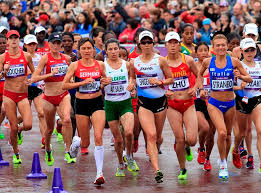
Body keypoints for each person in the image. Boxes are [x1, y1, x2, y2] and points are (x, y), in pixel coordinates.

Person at [198, 34, 252, 180]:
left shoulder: (234, 61)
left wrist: (239, 76)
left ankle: (224, 159)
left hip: (230, 104)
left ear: (227, 46)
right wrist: (201, 89)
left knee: (228, 135)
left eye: (223, 45)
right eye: (218, 45)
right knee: (221, 133)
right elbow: (199, 75)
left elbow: (249, 78)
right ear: (213, 47)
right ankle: (223, 164)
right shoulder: (208, 62)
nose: (221, 47)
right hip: (214, 103)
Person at [62, 38, 107, 185]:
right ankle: (76, 141)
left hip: (97, 102)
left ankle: (99, 174)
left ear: (93, 50)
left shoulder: (100, 65)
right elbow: (64, 85)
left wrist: (105, 82)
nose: (87, 51)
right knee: (85, 143)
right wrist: (82, 82)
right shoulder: (75, 65)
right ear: (79, 50)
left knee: (98, 136)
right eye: (84, 48)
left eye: (89, 48)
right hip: (81, 103)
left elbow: (104, 81)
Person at [130, 30, 173, 183]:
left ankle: (153, 150)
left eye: (149, 42)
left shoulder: (160, 60)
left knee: (158, 137)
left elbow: (171, 79)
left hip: (160, 102)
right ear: (139, 44)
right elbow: (132, 78)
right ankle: (157, 170)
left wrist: (160, 82)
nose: (147, 45)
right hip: (144, 103)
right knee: (151, 135)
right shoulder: (134, 62)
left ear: (153, 43)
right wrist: (132, 86)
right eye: (144, 42)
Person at [31, 32, 76, 166]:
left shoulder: (66, 58)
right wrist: (50, 74)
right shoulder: (45, 58)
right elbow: (34, 77)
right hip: (48, 97)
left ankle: (68, 151)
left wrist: (71, 79)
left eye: (58, 43)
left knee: (67, 119)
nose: (56, 45)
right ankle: (48, 148)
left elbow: (70, 75)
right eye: (53, 43)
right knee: (50, 129)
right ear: (49, 44)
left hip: (63, 95)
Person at [102, 38, 139, 176]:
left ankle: (128, 156)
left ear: (119, 49)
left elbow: (132, 79)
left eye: (115, 49)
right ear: (106, 51)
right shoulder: (103, 66)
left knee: (129, 132)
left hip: (125, 102)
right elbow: (98, 84)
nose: (113, 52)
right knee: (117, 139)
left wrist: (132, 86)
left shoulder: (127, 64)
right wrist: (103, 83)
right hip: (110, 104)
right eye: (110, 49)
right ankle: (120, 164)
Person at [165, 32, 198, 180]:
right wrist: (165, 91)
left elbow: (200, 76)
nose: (173, 45)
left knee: (191, 140)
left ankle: (187, 147)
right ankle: (183, 168)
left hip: (188, 104)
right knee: (179, 138)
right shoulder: (162, 62)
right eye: (170, 43)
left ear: (179, 45)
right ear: (166, 45)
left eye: (175, 43)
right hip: (172, 106)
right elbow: (159, 83)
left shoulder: (188, 60)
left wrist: (196, 88)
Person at [0, 30, 34, 164]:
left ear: (19, 40)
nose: (13, 40)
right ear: (7, 41)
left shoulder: (26, 56)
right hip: (8, 95)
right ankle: (16, 152)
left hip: (22, 95)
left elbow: (34, 72)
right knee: (12, 127)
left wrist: (31, 79)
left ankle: (20, 130)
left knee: (29, 125)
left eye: (16, 38)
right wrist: (4, 71)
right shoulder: (3, 57)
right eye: (11, 38)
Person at [233, 38, 261, 171]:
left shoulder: (259, 65)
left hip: (256, 99)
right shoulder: (237, 66)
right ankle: (236, 149)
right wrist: (239, 87)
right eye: (247, 50)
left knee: (260, 130)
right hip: (242, 100)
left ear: (256, 51)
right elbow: (229, 86)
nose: (250, 53)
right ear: (242, 52)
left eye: (252, 50)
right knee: (242, 133)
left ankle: (254, 158)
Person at [194, 42, 215, 171]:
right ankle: (201, 148)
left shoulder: (214, 65)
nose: (203, 53)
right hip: (197, 102)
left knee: (212, 134)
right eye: (200, 50)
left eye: (205, 50)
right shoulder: (193, 66)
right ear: (196, 53)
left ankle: (207, 158)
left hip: (213, 102)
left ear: (209, 52)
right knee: (205, 128)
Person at [23, 34, 46, 149]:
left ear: (36, 44)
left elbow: (43, 73)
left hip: (37, 87)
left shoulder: (41, 58)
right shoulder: (21, 57)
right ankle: (17, 129)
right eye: (29, 44)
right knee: (24, 117)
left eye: (34, 44)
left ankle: (44, 140)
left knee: (41, 113)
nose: (32, 46)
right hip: (25, 88)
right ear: (25, 45)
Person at [0, 34, 6, 139]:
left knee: (4, 110)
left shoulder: (9, 55)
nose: (2, 45)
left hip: (7, 87)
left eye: (3, 43)